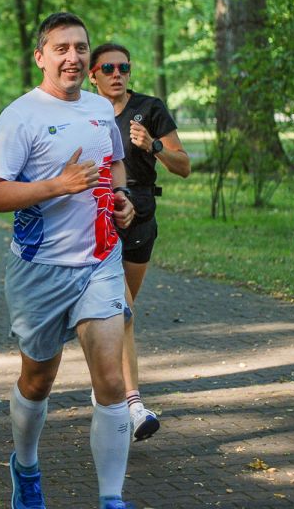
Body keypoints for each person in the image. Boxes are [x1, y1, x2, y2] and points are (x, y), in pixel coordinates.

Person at [0, 12, 137, 509]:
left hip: (99, 261)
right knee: (37, 379)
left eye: (80, 47)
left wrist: (123, 200)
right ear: (41, 56)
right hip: (39, 269)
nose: (73, 57)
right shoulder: (20, 116)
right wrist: (56, 187)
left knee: (111, 380)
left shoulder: (98, 109)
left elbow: (114, 167)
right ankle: (25, 467)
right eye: (62, 48)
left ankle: (111, 498)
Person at [88, 43, 191, 442]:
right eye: (109, 67)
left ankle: (106, 388)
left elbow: (184, 167)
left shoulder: (150, 108)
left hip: (142, 213)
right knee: (121, 311)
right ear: (93, 74)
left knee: (118, 314)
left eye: (124, 67)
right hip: (99, 212)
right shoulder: (82, 110)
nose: (118, 73)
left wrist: (154, 145)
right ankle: (130, 404)